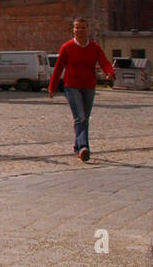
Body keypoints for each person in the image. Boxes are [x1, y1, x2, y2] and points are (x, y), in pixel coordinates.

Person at [47, 17, 114, 162]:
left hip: (89, 86)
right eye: (77, 27)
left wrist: (110, 72)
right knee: (80, 117)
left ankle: (78, 146)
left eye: (83, 27)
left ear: (87, 29)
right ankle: (84, 147)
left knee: (84, 118)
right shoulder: (67, 47)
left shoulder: (94, 47)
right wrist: (52, 86)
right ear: (73, 30)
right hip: (72, 86)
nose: (80, 30)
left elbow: (104, 62)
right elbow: (58, 68)